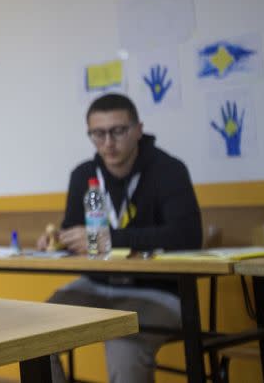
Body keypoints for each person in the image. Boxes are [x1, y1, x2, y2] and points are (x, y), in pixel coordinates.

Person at [37, 93, 202, 383]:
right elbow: (73, 231)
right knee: (33, 334)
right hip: (95, 285)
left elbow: (187, 236)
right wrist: (58, 240)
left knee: (124, 343)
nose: (108, 143)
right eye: (98, 134)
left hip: (158, 291)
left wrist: (111, 239)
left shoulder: (169, 170)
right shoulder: (83, 175)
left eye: (118, 131)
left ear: (138, 130)